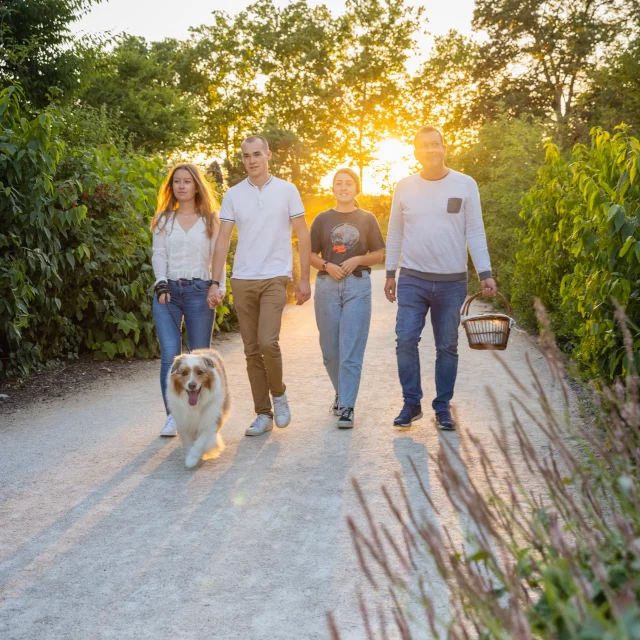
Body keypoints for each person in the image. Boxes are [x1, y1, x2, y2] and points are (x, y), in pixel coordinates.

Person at [384, 126, 497, 430]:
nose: (431, 150)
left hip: (452, 282)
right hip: (412, 278)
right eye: (424, 146)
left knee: (447, 345)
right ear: (416, 151)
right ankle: (411, 403)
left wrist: (484, 272)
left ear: (445, 147)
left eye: (436, 145)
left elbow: (474, 231)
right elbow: (395, 231)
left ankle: (442, 407)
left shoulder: (465, 184)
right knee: (406, 338)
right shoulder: (404, 187)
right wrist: (390, 271)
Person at [208, 135, 311, 436]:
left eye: (256, 154)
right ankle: (262, 414)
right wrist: (217, 281)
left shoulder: (287, 190)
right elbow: (223, 239)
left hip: (275, 276)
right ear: (242, 159)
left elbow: (303, 235)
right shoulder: (233, 194)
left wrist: (303, 278)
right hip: (243, 278)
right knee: (251, 350)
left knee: (268, 342)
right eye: (245, 156)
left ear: (268, 155)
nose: (251, 160)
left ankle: (278, 394)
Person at [151, 163, 226, 437]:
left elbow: (218, 258)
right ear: (171, 187)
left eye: (187, 181)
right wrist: (160, 284)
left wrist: (217, 288)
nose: (181, 186)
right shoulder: (163, 220)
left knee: (201, 358)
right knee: (170, 357)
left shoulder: (211, 219)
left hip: (200, 289)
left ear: (197, 185)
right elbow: (158, 255)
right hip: (167, 292)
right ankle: (173, 416)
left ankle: (202, 417)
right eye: (177, 182)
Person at [310, 168, 385, 429]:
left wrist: (358, 259)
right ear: (333, 188)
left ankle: (347, 407)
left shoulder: (367, 218)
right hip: (327, 286)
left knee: (351, 350)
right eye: (338, 183)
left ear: (357, 188)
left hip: (357, 287)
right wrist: (326, 265)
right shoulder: (321, 219)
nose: (343, 187)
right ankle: (342, 392)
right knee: (330, 353)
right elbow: (309, 254)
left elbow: (378, 254)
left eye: (348, 183)